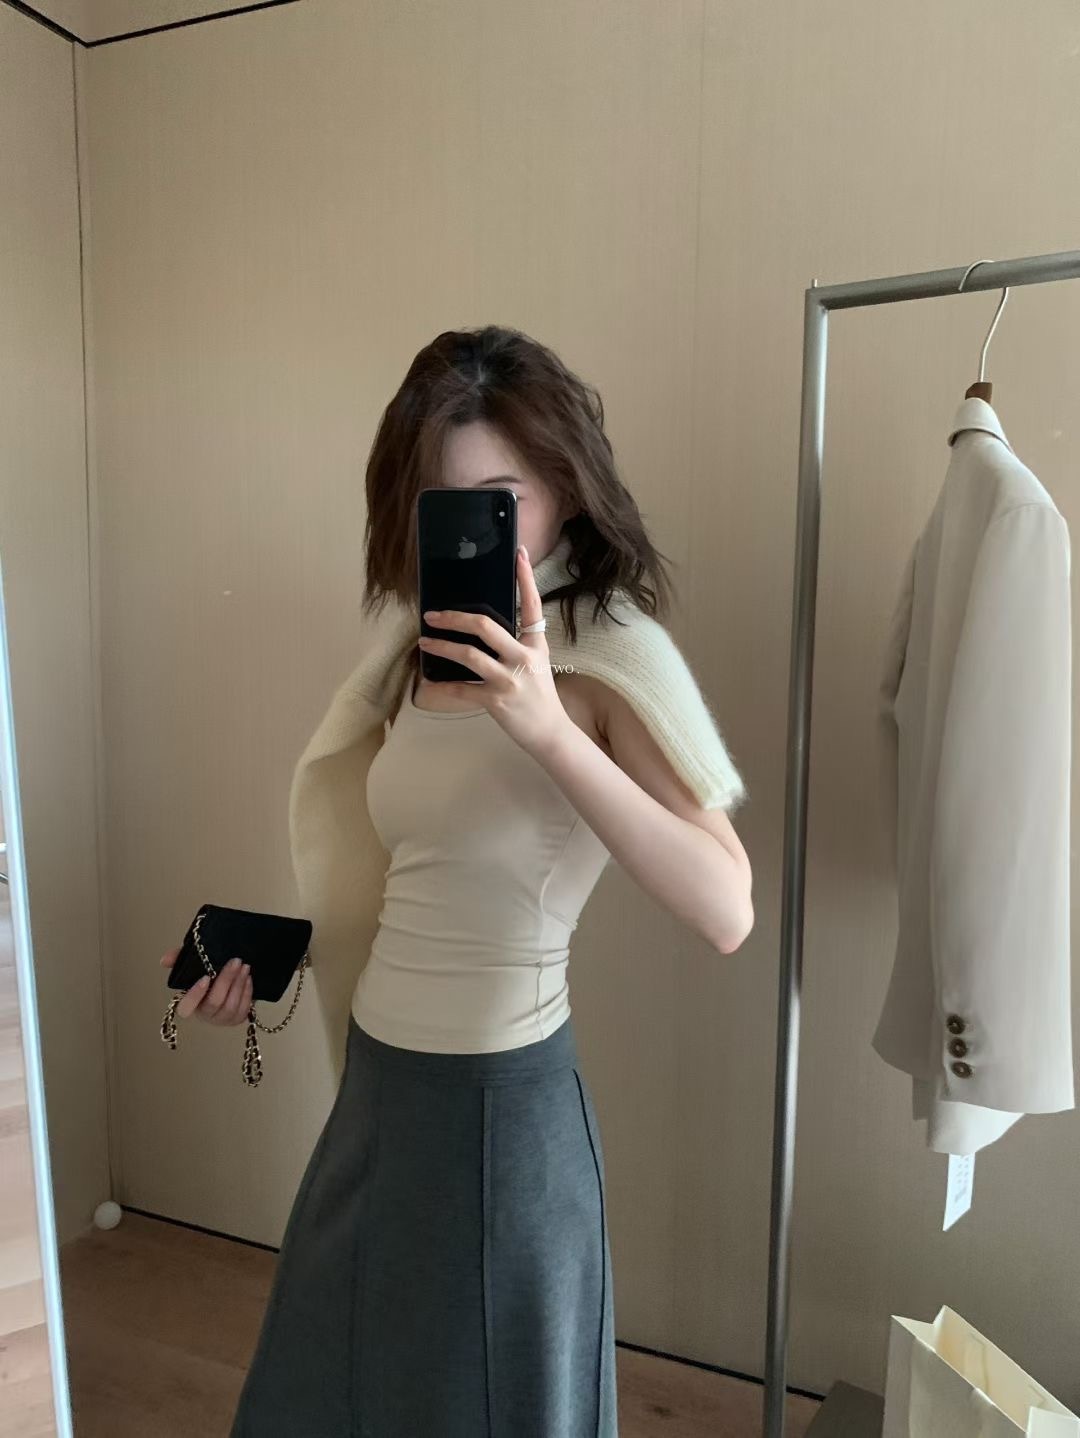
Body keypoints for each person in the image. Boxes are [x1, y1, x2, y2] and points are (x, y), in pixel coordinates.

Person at [162, 325, 754, 1436]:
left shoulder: (608, 652)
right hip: (379, 1097)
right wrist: (266, 962)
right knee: (325, 1393)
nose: (478, 530)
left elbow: (727, 907)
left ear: (566, 487)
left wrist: (549, 729)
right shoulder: (415, 651)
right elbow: (418, 882)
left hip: (503, 1118)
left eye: (503, 498)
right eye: (444, 503)